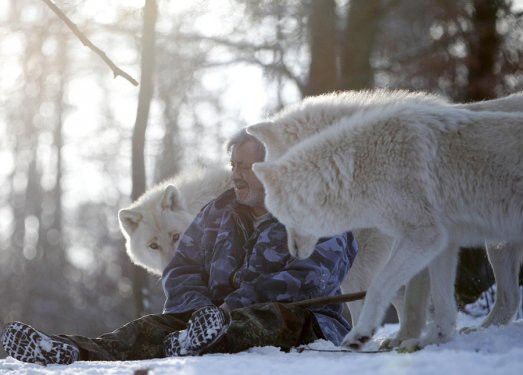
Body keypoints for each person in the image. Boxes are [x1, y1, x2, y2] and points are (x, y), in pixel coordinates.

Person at [1, 129, 358, 365]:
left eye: (246, 167)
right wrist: (198, 310)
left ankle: (200, 338)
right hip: (210, 319)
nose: (235, 175)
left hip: (308, 321)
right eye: (233, 165)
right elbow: (182, 268)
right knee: (150, 327)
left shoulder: (318, 209)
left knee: (269, 319)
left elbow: (312, 278)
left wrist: (229, 308)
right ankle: (68, 350)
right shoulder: (217, 212)